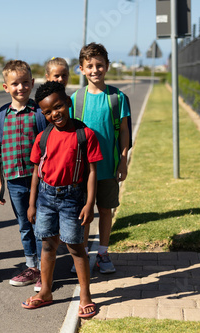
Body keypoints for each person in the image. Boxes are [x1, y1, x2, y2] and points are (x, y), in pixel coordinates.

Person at [22, 81, 101, 319]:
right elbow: (37, 171)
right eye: (47, 112)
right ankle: (45, 291)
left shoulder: (85, 135)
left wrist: (89, 204)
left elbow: (92, 172)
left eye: (58, 107)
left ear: (67, 103)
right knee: (47, 245)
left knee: (75, 247)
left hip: (72, 198)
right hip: (45, 197)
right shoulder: (43, 138)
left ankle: (86, 296)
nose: (54, 114)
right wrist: (32, 203)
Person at [71, 42, 130, 274]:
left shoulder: (117, 97)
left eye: (99, 65)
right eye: (90, 66)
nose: (95, 70)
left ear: (107, 66)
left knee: (106, 210)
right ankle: (83, 255)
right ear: (82, 69)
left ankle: (103, 253)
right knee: (84, 213)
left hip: (108, 166)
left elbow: (124, 131)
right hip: (83, 171)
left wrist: (123, 158)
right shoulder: (76, 98)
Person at [0, 60, 44, 289]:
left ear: (32, 83)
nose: (21, 87)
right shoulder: (2, 116)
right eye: (15, 83)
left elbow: (48, 145)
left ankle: (45, 268)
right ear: (6, 87)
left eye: (25, 82)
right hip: (14, 179)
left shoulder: (39, 113)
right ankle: (31, 266)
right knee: (24, 224)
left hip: (40, 181)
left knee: (41, 224)